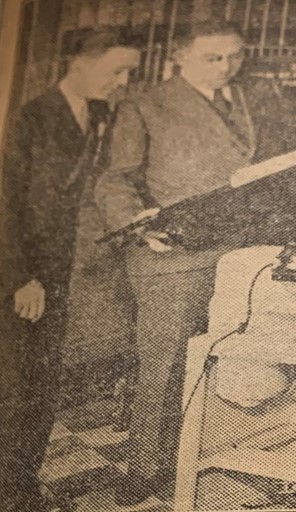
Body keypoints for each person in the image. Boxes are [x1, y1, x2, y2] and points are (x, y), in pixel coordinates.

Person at [94, 20, 293, 506]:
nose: (227, 67)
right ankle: (147, 466)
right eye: (213, 58)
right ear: (179, 57)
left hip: (244, 249)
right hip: (176, 257)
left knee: (242, 353)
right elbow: (115, 180)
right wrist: (138, 227)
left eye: (235, 56)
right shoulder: (145, 104)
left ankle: (230, 451)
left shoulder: (254, 97)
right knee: (165, 364)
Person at [0, 29, 141, 511]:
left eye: (130, 72)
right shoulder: (28, 119)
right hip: (21, 274)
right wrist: (20, 278)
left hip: (59, 274)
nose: (123, 82)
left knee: (40, 388)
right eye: (117, 70)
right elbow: (5, 205)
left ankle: (21, 486)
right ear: (79, 62)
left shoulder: (100, 115)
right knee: (15, 389)